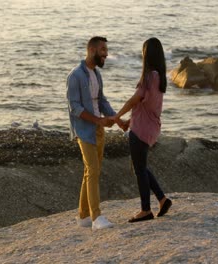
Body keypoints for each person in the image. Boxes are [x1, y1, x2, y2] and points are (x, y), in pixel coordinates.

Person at [112, 37, 172, 223]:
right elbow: (146, 106)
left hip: (141, 130)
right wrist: (129, 120)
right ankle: (162, 199)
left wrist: (116, 117)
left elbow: (134, 100)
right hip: (151, 127)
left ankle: (145, 210)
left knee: (139, 169)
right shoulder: (159, 77)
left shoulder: (148, 77)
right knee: (141, 167)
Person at [66, 36, 122, 230]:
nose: (106, 53)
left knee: (90, 171)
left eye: (106, 49)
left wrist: (117, 119)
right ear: (92, 51)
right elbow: (74, 107)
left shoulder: (96, 74)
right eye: (103, 50)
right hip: (84, 131)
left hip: (98, 130)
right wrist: (98, 120)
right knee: (93, 171)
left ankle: (83, 216)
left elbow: (102, 101)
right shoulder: (75, 76)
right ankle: (96, 217)